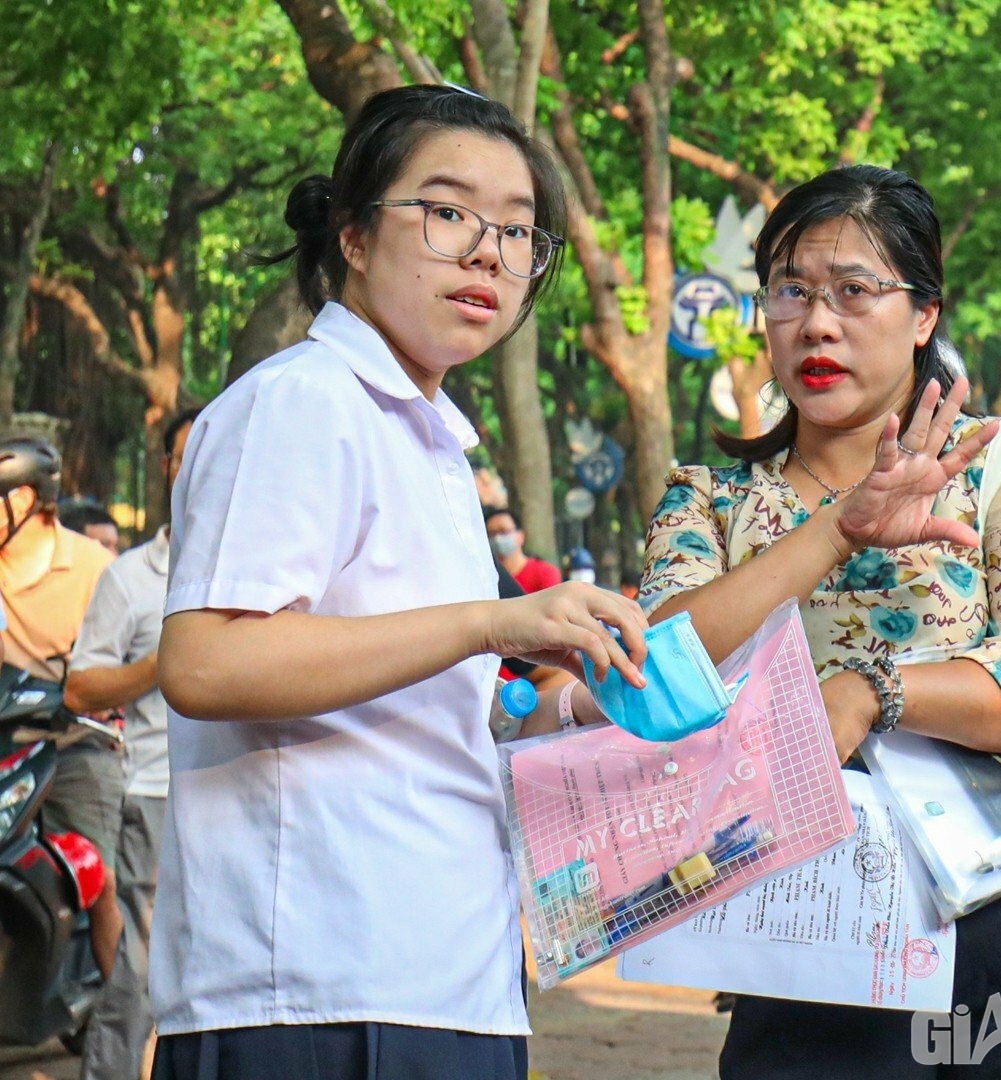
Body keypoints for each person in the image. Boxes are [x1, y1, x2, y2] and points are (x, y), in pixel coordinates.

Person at [149, 85, 649, 1080]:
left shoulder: (427, 443)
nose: (488, 252)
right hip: (315, 994)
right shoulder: (300, 403)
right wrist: (486, 621)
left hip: (444, 980)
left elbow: (419, 708)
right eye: (449, 211)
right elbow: (205, 665)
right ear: (355, 235)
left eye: (517, 230)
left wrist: (567, 707)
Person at [638, 165, 1001, 1076]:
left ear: (923, 316)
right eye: (790, 291)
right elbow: (660, 667)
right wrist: (835, 531)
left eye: (854, 291)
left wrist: (866, 692)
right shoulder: (707, 501)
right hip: (813, 918)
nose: (816, 323)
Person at [64, 408, 199, 1080]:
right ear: (170, 469)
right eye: (186, 453)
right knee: (142, 969)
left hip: (250, 794)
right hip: (156, 792)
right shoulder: (132, 578)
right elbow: (81, 688)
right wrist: (164, 663)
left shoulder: (271, 568)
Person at [0, 435, 124, 980]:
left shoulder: (94, 568)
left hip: (74, 742)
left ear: (23, 501)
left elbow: (119, 666)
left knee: (101, 879)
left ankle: (123, 1022)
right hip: (7, 740)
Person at [484, 507, 562, 593]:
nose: (497, 538)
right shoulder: (486, 578)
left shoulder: (544, 573)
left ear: (520, 536)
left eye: (503, 531)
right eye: (492, 533)